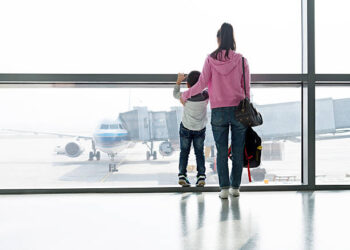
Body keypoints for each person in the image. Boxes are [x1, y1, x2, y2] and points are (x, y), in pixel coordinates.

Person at [180, 23, 250, 198]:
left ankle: (224, 189)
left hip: (218, 110)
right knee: (238, 149)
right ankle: (235, 188)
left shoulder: (210, 59)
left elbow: (201, 84)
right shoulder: (241, 60)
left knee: (221, 151)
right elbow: (247, 89)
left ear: (218, 39)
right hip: (239, 110)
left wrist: (186, 94)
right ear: (232, 38)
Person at [173, 71, 209, 187]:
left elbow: (175, 94)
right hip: (200, 129)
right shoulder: (206, 95)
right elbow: (212, 88)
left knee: (184, 152)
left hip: (186, 128)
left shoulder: (186, 95)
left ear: (188, 85)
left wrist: (179, 80)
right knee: (199, 153)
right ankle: (201, 177)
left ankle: (182, 175)